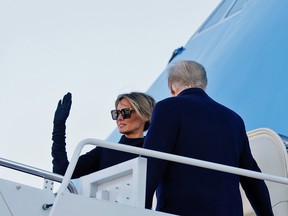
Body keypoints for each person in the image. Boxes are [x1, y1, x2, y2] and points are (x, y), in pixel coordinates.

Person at [143, 60, 273, 215]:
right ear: (204, 83)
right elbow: (252, 177)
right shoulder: (233, 119)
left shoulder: (168, 108)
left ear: (172, 87)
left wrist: (141, 209)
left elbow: (151, 163)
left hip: (182, 210)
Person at [51, 92, 156, 179]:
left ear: (145, 115)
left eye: (125, 112)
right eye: (116, 113)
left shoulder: (155, 150)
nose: (119, 118)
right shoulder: (105, 151)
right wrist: (59, 125)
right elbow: (63, 171)